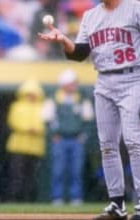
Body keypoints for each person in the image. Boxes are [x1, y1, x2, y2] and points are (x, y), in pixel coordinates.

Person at [39, 0, 140, 220]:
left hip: (132, 78)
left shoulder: (138, 10)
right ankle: (117, 205)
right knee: (108, 146)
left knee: (133, 140)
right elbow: (80, 55)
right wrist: (64, 41)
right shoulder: (90, 16)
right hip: (104, 82)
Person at [43, 68, 94, 205]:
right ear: (64, 84)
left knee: (76, 170)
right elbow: (47, 119)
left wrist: (83, 136)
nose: (74, 85)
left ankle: (76, 197)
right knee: (58, 170)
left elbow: (88, 119)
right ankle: (57, 197)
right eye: (72, 83)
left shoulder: (82, 98)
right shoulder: (54, 98)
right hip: (60, 139)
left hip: (76, 140)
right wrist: (53, 135)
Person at [5, 78, 46, 202]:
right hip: (18, 146)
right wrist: (28, 129)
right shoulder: (16, 106)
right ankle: (14, 198)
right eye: (28, 93)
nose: (31, 96)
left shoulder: (42, 107)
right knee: (16, 175)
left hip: (35, 147)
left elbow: (46, 123)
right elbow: (12, 121)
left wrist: (36, 129)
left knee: (31, 176)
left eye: (33, 93)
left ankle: (28, 199)